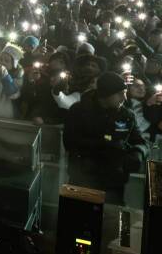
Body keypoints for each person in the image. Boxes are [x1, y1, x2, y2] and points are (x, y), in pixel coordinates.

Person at [63, 71, 147, 203]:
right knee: (78, 218)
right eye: (119, 94)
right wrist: (105, 143)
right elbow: (70, 142)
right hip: (83, 179)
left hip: (113, 183)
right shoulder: (79, 111)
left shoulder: (126, 115)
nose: (124, 98)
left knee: (110, 220)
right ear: (105, 94)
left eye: (125, 92)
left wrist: (138, 153)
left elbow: (140, 141)